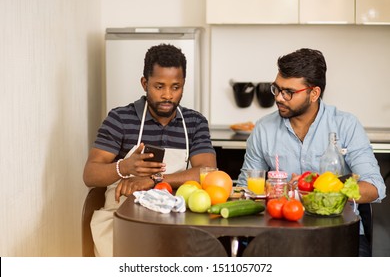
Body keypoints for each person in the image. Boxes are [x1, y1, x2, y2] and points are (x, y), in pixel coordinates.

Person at [236, 48, 386, 257]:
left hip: (338, 233)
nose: (279, 98)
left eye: (288, 92)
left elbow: (375, 187)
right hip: (279, 233)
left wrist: (317, 187)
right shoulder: (263, 129)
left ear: (314, 93)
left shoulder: (346, 125)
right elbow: (246, 188)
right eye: (276, 89)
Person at [83, 43, 216, 256]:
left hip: (173, 224)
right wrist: (124, 167)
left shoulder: (194, 122)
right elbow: (90, 175)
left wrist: (155, 180)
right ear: (145, 83)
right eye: (159, 86)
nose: (167, 95)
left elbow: (208, 172)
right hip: (120, 222)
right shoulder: (119, 119)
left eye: (175, 87)